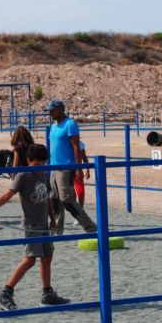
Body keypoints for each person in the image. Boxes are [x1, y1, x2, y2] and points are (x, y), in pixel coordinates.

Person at [0, 144, 70, 310]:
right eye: (37, 165)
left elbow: (46, 198)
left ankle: (47, 294)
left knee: (47, 256)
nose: (39, 168)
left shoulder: (43, 174)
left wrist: (53, 219)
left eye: (43, 164)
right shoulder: (22, 175)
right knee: (30, 259)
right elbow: (7, 195)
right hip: (31, 224)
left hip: (43, 223)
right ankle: (5, 292)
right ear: (29, 161)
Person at [46, 99, 97, 234]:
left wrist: (78, 168)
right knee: (55, 199)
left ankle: (89, 226)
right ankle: (57, 229)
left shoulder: (70, 124)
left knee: (66, 199)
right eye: (49, 111)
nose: (50, 113)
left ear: (61, 109)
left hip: (67, 167)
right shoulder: (53, 126)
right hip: (53, 167)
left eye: (52, 110)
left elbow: (76, 147)